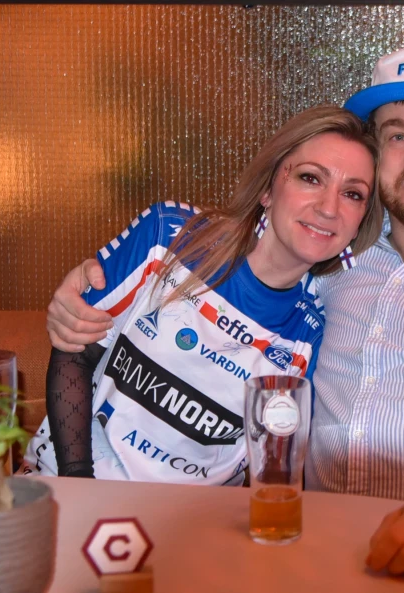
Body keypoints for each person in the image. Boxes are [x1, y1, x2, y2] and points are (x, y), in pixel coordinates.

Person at [45, 46, 404, 583]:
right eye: (397, 135)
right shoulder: (334, 265)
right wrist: (81, 291)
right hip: (329, 560)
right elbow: (238, 275)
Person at [21, 105, 384, 483]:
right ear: (268, 189)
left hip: (193, 516)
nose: (328, 208)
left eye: (353, 194)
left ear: (361, 223)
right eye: (310, 178)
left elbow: (273, 462)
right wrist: (79, 484)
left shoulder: (317, 329)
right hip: (68, 484)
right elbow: (75, 353)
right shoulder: (169, 235)